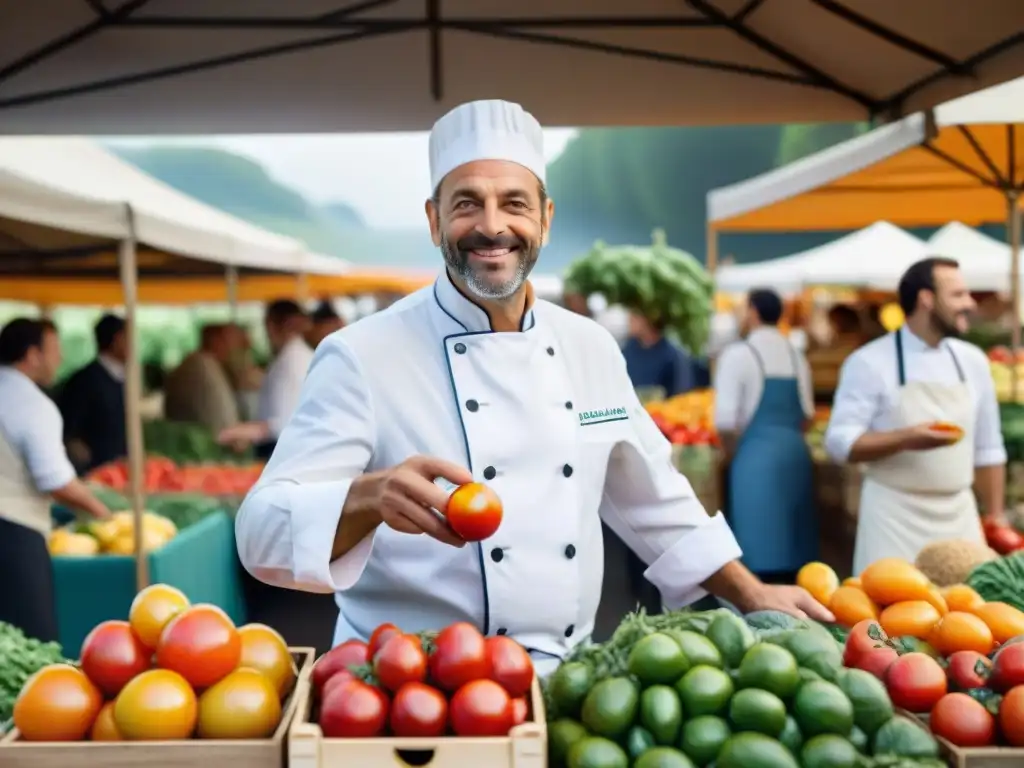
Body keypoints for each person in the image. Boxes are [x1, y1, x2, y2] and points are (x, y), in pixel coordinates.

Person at [234, 99, 830, 671]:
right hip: (410, 686)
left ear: (544, 217)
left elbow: (652, 496)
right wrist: (368, 497)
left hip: (564, 677)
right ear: (434, 218)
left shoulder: (589, 347)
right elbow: (261, 532)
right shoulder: (361, 355)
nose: (492, 227)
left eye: (513, 203)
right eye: (467, 203)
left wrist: (751, 593)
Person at [825, 258, 1007, 574]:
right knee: (890, 619)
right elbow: (840, 443)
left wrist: (995, 516)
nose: (969, 303)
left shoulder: (973, 361)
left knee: (969, 618)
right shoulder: (868, 362)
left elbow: (988, 448)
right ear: (926, 299)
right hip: (893, 518)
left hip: (959, 518)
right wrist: (907, 438)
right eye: (958, 295)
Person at [0, 319, 111, 641]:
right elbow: (55, 480)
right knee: (31, 639)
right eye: (54, 351)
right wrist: (100, 510)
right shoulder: (33, 405)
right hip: (14, 533)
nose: (59, 359)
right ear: (32, 355)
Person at [713, 289, 816, 581]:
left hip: (754, 461)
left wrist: (733, 453)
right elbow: (807, 416)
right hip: (795, 456)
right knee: (797, 559)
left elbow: (725, 421)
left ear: (753, 312)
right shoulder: (797, 356)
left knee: (756, 552)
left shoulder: (738, 355)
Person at [217, 301, 314, 459]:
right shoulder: (298, 357)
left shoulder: (291, 363)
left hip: (284, 452)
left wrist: (241, 432)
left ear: (270, 325)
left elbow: (284, 423)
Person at [59, 314, 127, 472]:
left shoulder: (127, 378)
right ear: (117, 340)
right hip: (96, 471)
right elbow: (69, 427)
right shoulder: (84, 380)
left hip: (122, 467)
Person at [163, 323, 241, 435]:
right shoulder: (205, 368)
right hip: (206, 444)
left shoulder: (192, 363)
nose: (232, 348)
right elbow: (226, 419)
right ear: (216, 341)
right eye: (229, 342)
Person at [622, 311, 697, 398]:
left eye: (635, 315)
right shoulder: (627, 351)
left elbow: (681, 396)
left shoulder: (673, 356)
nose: (630, 319)